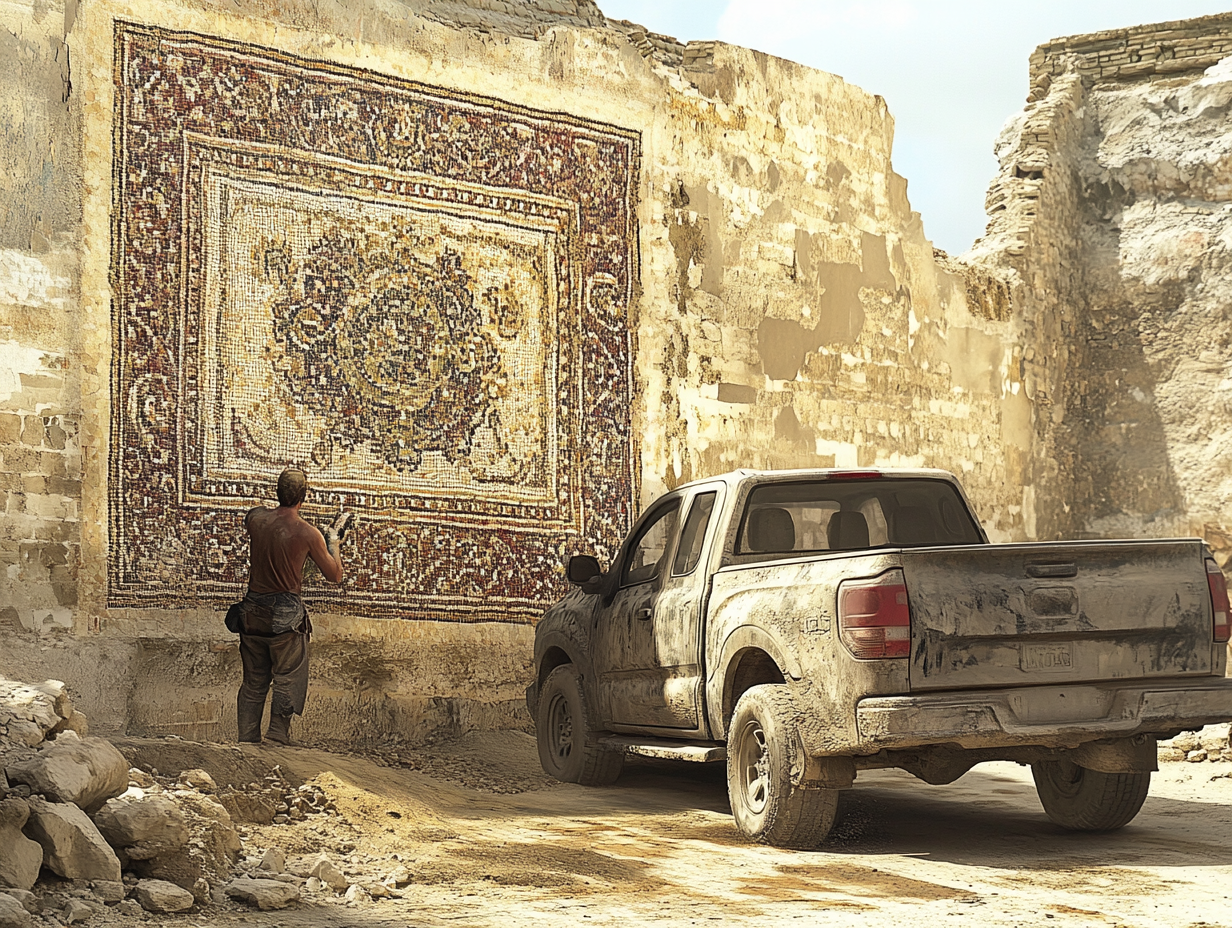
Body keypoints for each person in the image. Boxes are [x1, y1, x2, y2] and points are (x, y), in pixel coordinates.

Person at [234, 467, 350, 745]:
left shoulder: (256, 519)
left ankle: (247, 740)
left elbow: (263, 522)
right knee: (287, 675)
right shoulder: (308, 534)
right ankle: (276, 736)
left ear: (277, 492)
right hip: (284, 614)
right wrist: (334, 542)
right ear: (304, 497)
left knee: (253, 680)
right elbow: (335, 575)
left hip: (251, 612)